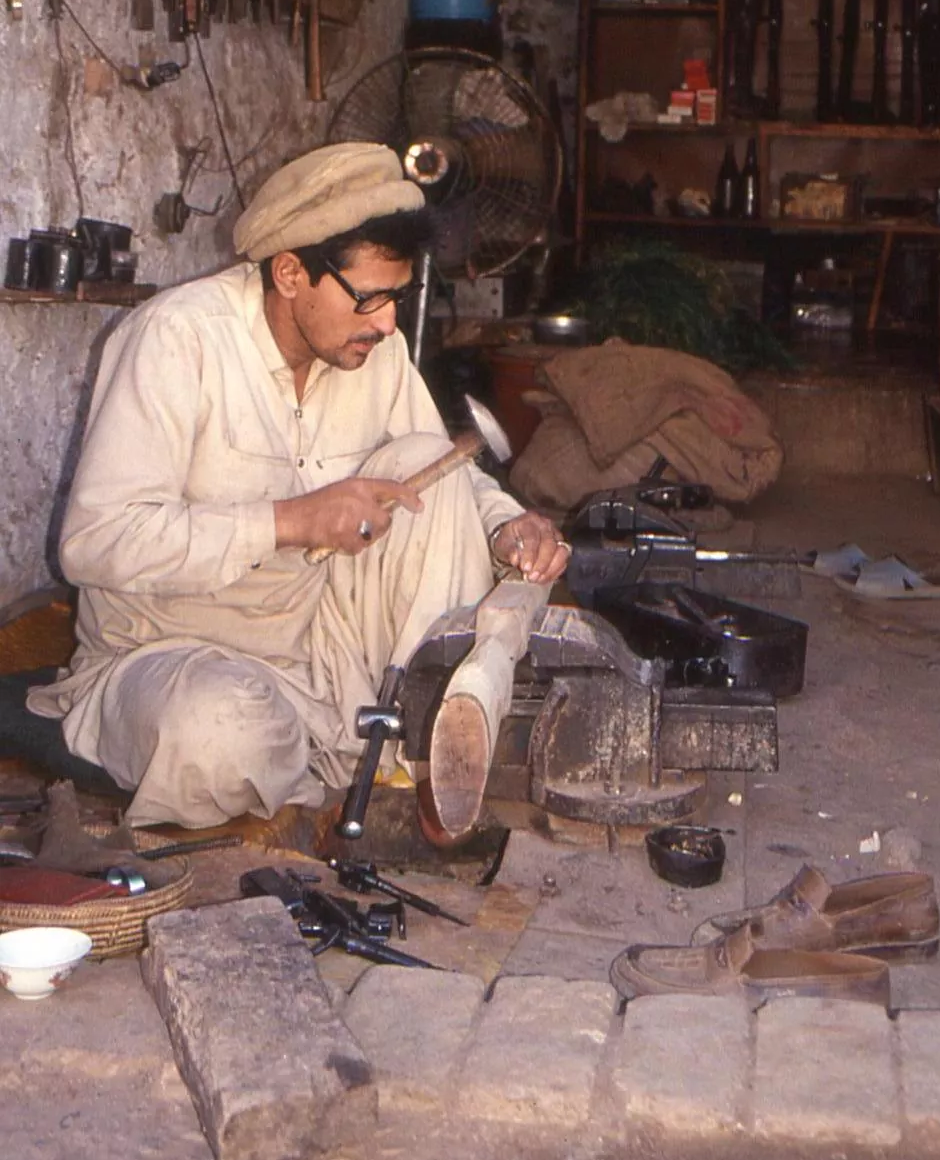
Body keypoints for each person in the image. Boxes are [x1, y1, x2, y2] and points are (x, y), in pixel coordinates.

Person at [28, 142, 569, 828]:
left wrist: (506, 526)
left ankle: (405, 742)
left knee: (423, 457)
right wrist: (289, 521)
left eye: (396, 298)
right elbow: (95, 542)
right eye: (368, 297)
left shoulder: (375, 349)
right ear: (289, 273)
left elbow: (439, 482)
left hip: (323, 645)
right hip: (172, 653)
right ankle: (348, 763)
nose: (384, 323)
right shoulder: (176, 339)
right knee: (217, 734)